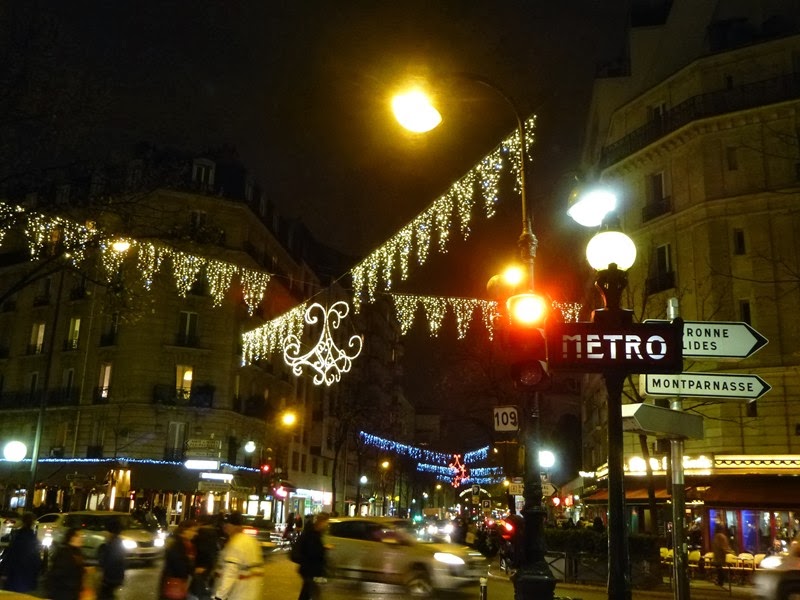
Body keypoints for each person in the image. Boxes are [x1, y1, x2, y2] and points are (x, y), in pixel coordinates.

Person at [213, 512, 263, 600]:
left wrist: (219, 596)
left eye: (227, 524)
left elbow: (230, 572)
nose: (224, 527)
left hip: (237, 594)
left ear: (235, 526)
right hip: (250, 593)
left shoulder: (235, 544)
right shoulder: (250, 541)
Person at [1, 511, 42, 592]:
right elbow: (36, 560)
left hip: (14, 574)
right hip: (26, 576)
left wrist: (4, 571)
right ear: (33, 523)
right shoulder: (32, 539)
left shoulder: (18, 536)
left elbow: (11, 555)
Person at [295, 512, 330, 600]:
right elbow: (312, 551)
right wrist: (323, 549)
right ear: (321, 522)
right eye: (326, 522)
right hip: (309, 568)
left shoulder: (315, 533)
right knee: (309, 593)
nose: (327, 525)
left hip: (310, 568)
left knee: (307, 593)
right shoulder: (312, 534)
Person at [46, 527, 87, 600]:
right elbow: (57, 574)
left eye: (82, 536)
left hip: (73, 593)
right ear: (71, 538)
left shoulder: (77, 552)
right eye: (78, 536)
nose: (82, 538)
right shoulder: (64, 553)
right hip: (64, 593)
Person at [97, 516, 126, 600]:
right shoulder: (116, 542)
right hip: (114, 578)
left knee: (105, 596)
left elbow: (109, 561)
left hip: (110, 578)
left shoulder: (113, 543)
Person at [192, 519, 220, 600]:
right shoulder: (214, 534)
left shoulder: (202, 533)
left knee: (198, 590)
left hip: (200, 566)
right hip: (208, 567)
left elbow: (202, 550)